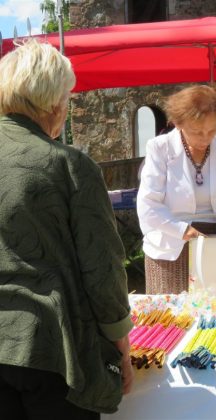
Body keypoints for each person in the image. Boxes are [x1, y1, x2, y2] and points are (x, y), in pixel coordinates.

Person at [0, 39, 134, 419]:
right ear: (54, 103)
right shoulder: (69, 165)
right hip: (52, 350)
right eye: (67, 98)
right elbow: (102, 268)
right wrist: (121, 343)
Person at [137, 84, 216, 295]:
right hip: (171, 245)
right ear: (178, 123)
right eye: (196, 131)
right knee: (173, 312)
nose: (205, 138)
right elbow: (148, 205)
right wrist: (183, 230)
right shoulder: (160, 147)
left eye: (212, 130)